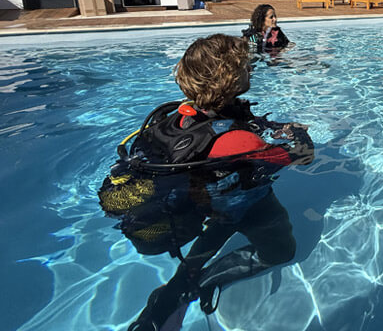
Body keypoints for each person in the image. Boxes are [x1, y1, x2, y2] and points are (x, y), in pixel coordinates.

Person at [99, 33, 314, 330]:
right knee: (280, 250)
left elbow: (238, 122)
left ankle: (167, 300)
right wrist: (300, 135)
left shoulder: (178, 117)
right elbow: (298, 157)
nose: (250, 67)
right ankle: (197, 285)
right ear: (228, 80)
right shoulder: (239, 141)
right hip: (246, 202)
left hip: (207, 201)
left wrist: (270, 126)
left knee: (221, 224)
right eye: (243, 66)